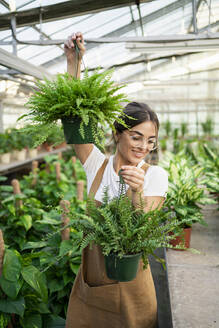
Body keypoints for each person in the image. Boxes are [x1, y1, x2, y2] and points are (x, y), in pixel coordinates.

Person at [64, 32, 168, 328]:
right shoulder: (97, 164)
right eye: (136, 136)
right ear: (117, 133)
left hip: (133, 292)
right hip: (93, 288)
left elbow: (139, 231)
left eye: (151, 141)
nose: (143, 147)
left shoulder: (156, 176)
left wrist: (136, 192)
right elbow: (75, 117)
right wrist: (75, 62)